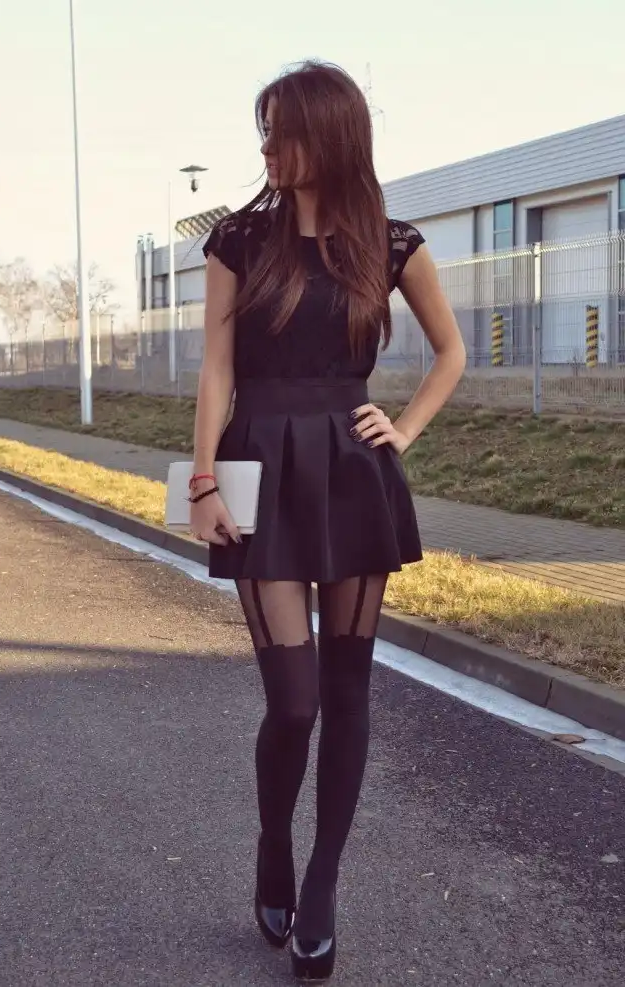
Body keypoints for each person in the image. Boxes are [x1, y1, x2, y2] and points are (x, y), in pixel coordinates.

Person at [189, 60, 466, 982]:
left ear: (332, 137)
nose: (269, 148)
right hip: (259, 464)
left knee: (349, 693)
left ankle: (322, 883)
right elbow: (217, 368)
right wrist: (202, 481)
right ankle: (274, 840)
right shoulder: (238, 239)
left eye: (284, 131)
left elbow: (451, 351)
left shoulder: (389, 242)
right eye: (264, 131)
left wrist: (404, 430)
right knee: (295, 703)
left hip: (352, 470)